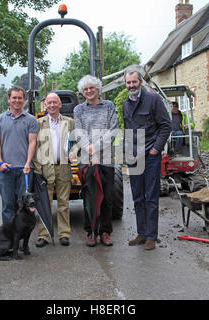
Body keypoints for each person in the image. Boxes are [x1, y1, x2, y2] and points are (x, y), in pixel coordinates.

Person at [123, 68, 171, 250]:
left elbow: (165, 126)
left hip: (150, 155)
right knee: (137, 197)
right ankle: (141, 233)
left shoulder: (153, 100)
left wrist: (155, 149)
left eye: (134, 82)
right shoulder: (126, 104)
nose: (131, 86)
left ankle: (152, 236)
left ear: (140, 82)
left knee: (151, 196)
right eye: (128, 83)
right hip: (134, 156)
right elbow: (128, 128)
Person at [74, 75, 119, 247]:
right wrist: (89, 150)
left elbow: (113, 130)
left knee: (107, 198)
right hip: (86, 160)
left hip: (106, 159)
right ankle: (91, 231)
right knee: (89, 197)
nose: (89, 91)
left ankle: (105, 232)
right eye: (85, 89)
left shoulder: (109, 106)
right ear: (82, 92)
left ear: (98, 89)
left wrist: (96, 148)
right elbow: (78, 132)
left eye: (91, 88)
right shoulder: (79, 109)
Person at [33, 92, 76, 247]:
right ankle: (43, 235)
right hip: (45, 168)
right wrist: (38, 170)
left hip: (64, 167)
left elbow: (76, 141)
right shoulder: (38, 123)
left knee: (64, 203)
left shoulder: (70, 122)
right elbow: (35, 147)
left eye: (54, 102)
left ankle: (64, 234)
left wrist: (74, 151)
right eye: (48, 103)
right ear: (45, 106)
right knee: (45, 203)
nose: (51, 105)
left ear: (60, 105)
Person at [0, 86, 38, 223]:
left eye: (20, 98)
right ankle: (8, 237)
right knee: (7, 206)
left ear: (24, 100)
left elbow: (32, 142)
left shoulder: (30, 120)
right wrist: (0, 162)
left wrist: (28, 163)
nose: (17, 101)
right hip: (6, 170)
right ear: (9, 99)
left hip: (25, 170)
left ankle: (22, 238)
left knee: (24, 206)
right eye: (14, 98)